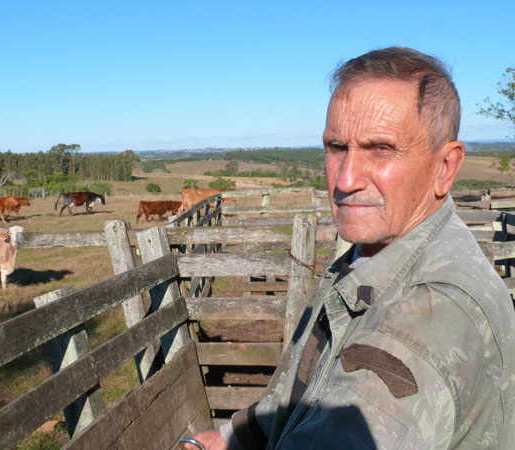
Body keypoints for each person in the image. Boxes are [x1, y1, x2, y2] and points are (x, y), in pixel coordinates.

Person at [182, 47, 515, 449]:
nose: (346, 178)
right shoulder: (374, 255)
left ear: (445, 167)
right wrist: (230, 437)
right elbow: (302, 392)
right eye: (336, 147)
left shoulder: (430, 313)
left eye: (380, 149)